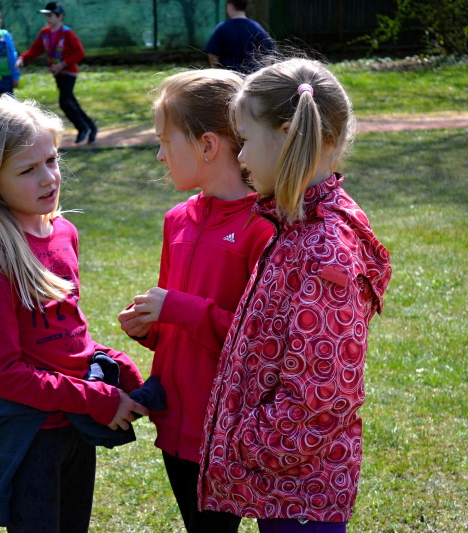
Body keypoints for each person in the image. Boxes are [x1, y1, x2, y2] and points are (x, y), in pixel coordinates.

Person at [197, 58, 392, 532]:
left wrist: (247, 442)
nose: (240, 157)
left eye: (245, 141)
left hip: (301, 494)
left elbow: (323, 395)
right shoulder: (297, 226)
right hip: (283, 486)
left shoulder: (325, 249)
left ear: (286, 135)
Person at [0, 94, 149, 532]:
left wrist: (111, 360)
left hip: (76, 427)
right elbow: (4, 373)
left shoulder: (64, 232)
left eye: (52, 160)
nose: (48, 178)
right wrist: (96, 398)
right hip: (30, 436)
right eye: (27, 170)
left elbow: (66, 332)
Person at [117, 70, 273, 533]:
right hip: (174, 427)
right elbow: (175, 325)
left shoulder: (263, 229)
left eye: (166, 141)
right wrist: (150, 328)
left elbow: (259, 343)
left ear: (207, 146)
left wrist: (177, 309)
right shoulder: (176, 220)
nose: (159, 154)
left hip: (227, 431)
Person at [16, 2, 98, 144]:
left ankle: (82, 128)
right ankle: (91, 127)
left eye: (51, 15)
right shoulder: (45, 33)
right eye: (47, 15)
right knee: (71, 102)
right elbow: (36, 50)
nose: (48, 18)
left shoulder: (67, 33)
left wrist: (62, 64)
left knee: (64, 102)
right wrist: (22, 58)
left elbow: (80, 52)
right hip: (58, 74)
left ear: (60, 16)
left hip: (68, 73)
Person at [205, 0, 276, 74]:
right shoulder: (256, 27)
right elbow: (267, 54)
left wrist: (217, 72)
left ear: (231, 6)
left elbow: (213, 55)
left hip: (229, 76)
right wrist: (263, 74)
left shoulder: (222, 28)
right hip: (251, 76)